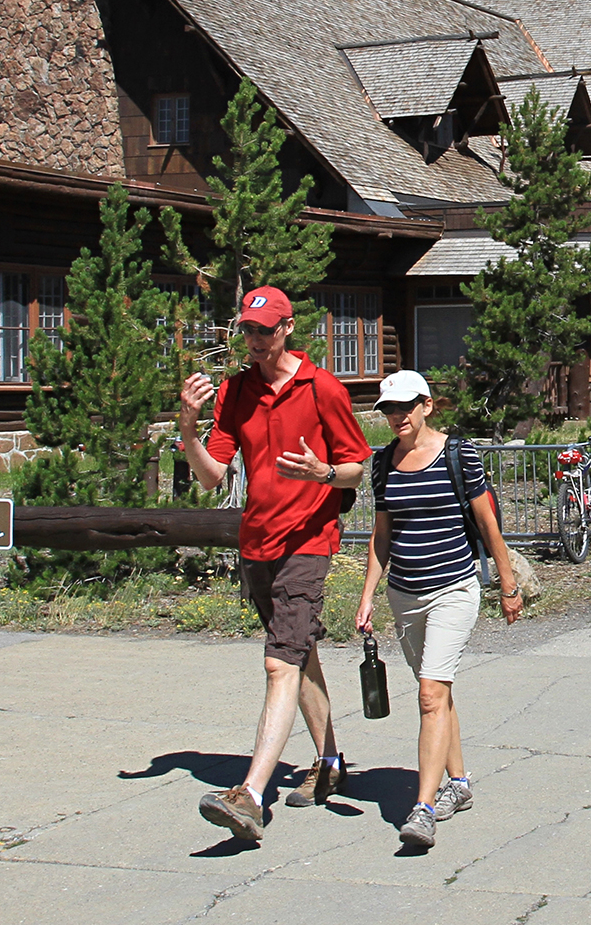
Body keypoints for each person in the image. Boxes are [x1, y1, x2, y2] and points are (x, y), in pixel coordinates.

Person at [176, 285, 373, 844]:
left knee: (278, 662)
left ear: (287, 328)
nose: (255, 339)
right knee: (298, 652)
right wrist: (188, 427)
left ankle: (251, 795)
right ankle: (330, 761)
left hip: (309, 541)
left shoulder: (322, 388)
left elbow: (357, 468)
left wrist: (322, 474)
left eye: (264, 330)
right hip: (256, 544)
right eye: (247, 329)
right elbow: (212, 476)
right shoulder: (236, 391)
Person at [355, 371, 524, 852]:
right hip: (404, 594)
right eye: (389, 409)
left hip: (453, 589)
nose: (397, 416)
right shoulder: (383, 463)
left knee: (430, 694)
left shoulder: (458, 453)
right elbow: (382, 535)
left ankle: (423, 809)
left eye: (405, 406)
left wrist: (508, 585)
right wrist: (368, 594)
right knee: (437, 691)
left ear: (426, 406)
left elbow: (488, 524)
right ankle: (459, 782)